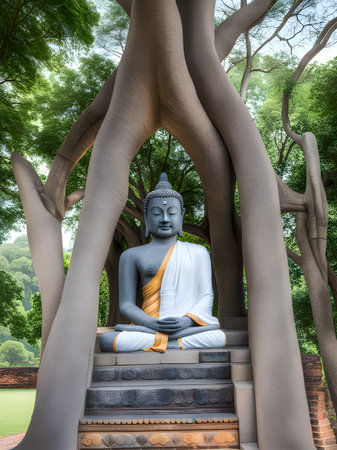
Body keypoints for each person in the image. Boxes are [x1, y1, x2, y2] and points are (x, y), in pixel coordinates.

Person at [100, 173, 226, 352]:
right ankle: (172, 342)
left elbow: (206, 296)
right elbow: (126, 305)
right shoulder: (131, 255)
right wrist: (152, 323)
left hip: (186, 327)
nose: (165, 219)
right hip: (149, 326)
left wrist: (187, 321)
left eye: (172, 213)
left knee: (218, 337)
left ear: (181, 217)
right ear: (146, 217)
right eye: (157, 213)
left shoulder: (199, 252)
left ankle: (166, 342)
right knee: (108, 340)